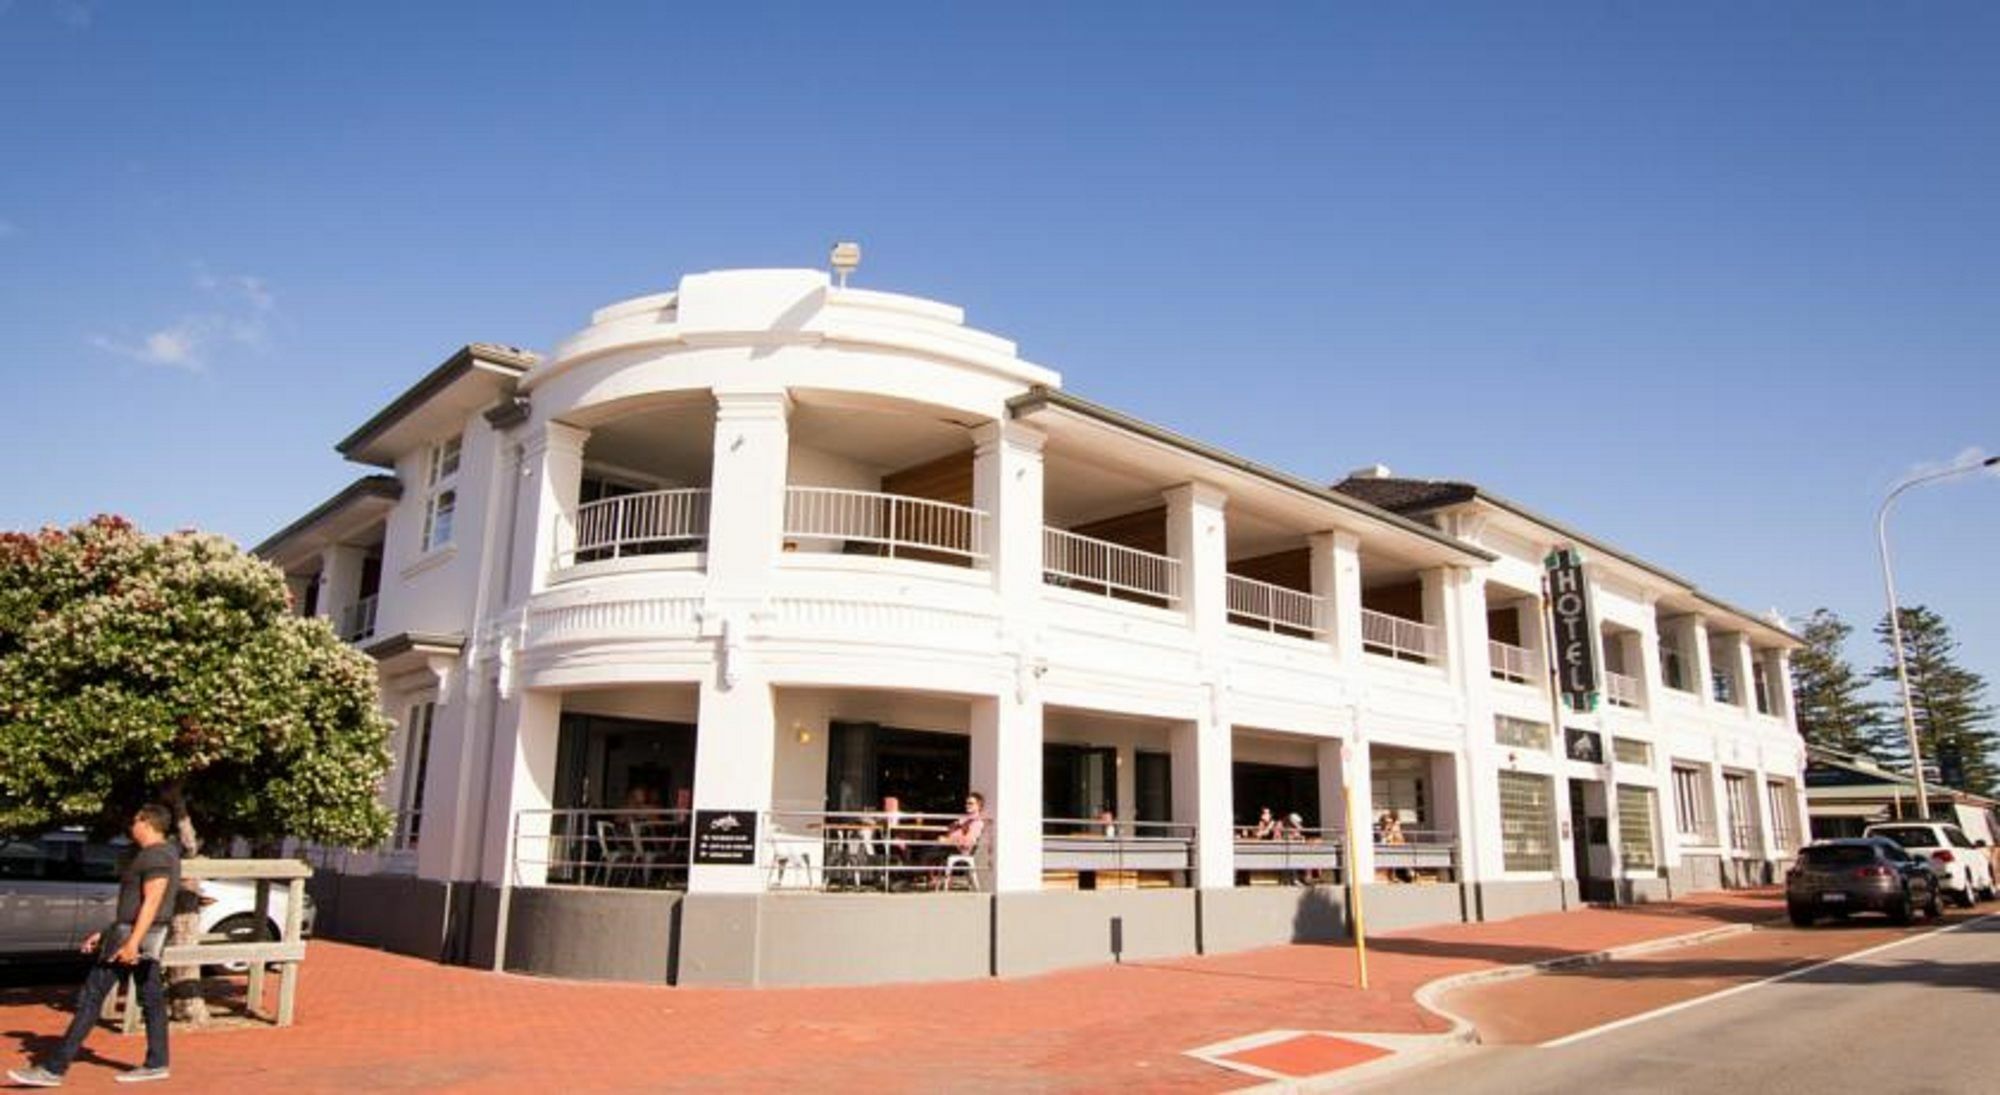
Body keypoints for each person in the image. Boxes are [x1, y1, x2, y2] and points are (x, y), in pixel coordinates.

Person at [11, 804, 181, 1087]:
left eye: (134, 821)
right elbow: (135, 906)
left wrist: (132, 944)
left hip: (135, 938)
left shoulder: (157, 855)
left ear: (146, 822)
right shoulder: (156, 854)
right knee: (151, 1000)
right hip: (132, 935)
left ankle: (53, 1069)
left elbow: (152, 902)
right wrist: (105, 934)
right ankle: (157, 1063)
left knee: (91, 997)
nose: (131, 826)